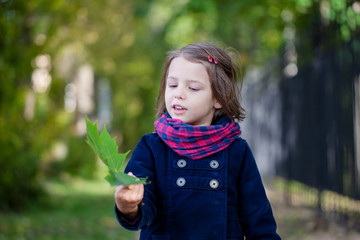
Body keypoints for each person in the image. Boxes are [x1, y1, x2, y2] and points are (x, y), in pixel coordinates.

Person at [114, 42, 281, 240]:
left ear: (218, 98)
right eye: (172, 85)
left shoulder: (237, 151)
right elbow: (144, 207)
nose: (178, 93)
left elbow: (258, 219)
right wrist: (129, 205)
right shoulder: (151, 147)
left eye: (193, 88)